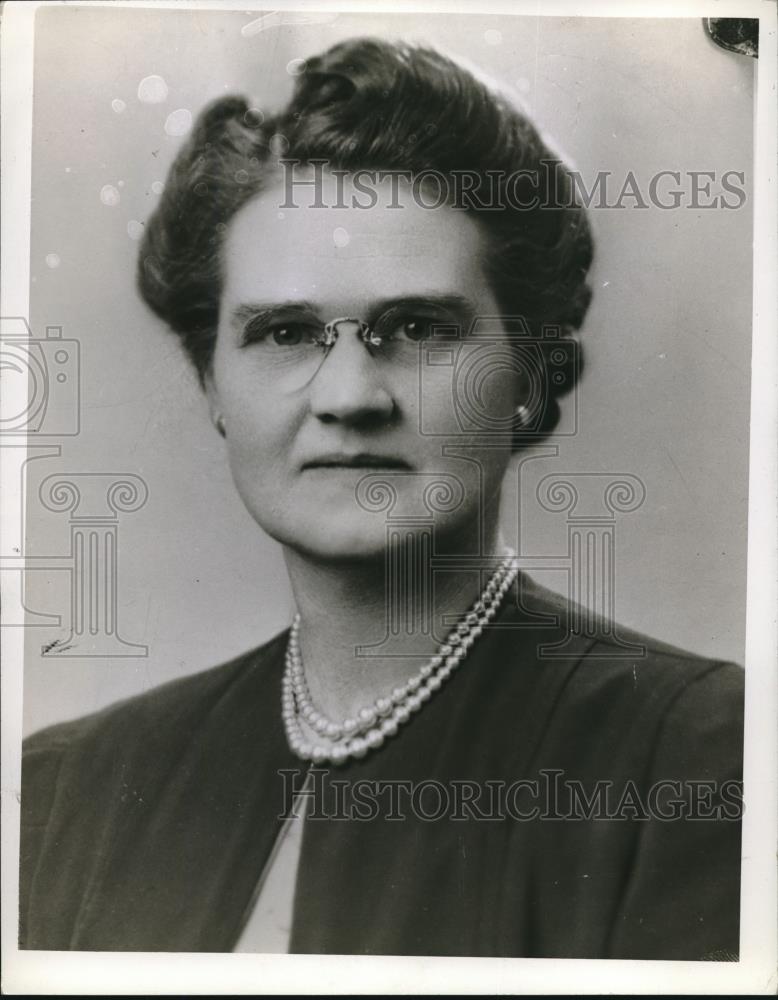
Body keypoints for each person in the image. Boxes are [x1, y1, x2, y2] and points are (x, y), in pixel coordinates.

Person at [19, 37, 743, 959]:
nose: (351, 395)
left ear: (524, 372)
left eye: (417, 326)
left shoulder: (698, 759)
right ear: (210, 382)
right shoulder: (69, 791)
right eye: (287, 332)